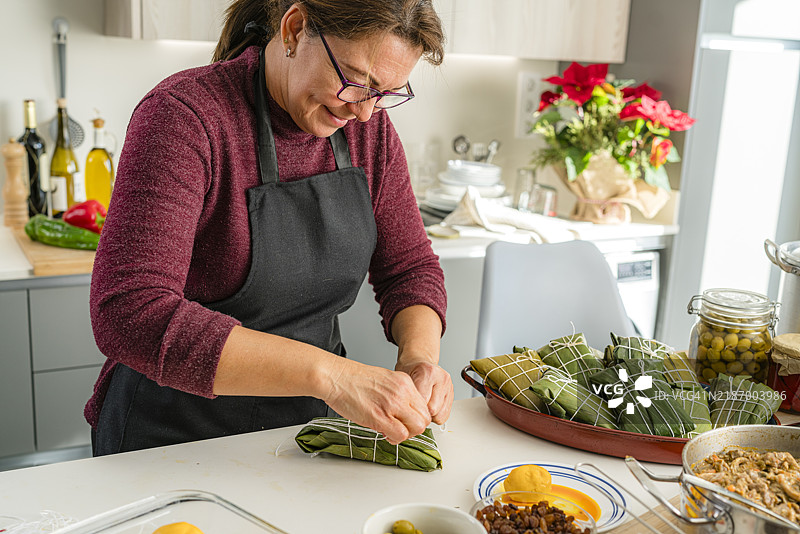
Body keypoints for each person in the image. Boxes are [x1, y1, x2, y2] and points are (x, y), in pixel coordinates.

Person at [86, 0, 452, 455]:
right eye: (357, 82)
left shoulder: (369, 134)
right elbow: (130, 314)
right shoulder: (185, 115)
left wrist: (419, 359)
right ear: (295, 30)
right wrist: (332, 376)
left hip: (305, 436)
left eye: (387, 93)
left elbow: (409, 269)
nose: (364, 112)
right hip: (171, 438)